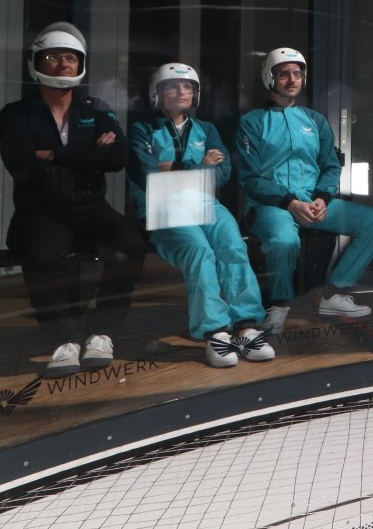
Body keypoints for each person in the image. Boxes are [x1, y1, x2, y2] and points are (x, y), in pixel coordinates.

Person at [0, 22, 144, 377]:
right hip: (40, 211)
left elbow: (118, 157)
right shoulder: (15, 114)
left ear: (80, 63)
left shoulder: (95, 109)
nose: (63, 64)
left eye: (70, 57)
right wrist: (89, 155)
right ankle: (64, 340)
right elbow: (23, 164)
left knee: (131, 246)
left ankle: (101, 332)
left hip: (91, 207)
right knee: (42, 255)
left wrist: (56, 155)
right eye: (53, 57)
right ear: (37, 62)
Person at [126, 63, 274, 367]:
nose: (181, 92)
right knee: (199, 250)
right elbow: (148, 174)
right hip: (162, 205)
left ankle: (245, 326)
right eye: (172, 86)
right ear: (157, 93)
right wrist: (200, 166)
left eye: (188, 87)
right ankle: (215, 332)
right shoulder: (143, 129)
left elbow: (221, 174)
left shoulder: (207, 129)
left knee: (232, 244)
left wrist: (174, 168)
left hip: (204, 203)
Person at [235, 47, 373, 335]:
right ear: (270, 78)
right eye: (284, 74)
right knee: (284, 240)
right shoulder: (252, 122)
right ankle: (279, 305)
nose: (292, 80)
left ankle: (334, 293)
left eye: (297, 74)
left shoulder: (315, 120)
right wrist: (290, 203)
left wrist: (322, 197)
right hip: (272, 206)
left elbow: (330, 165)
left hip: (313, 201)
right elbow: (250, 177)